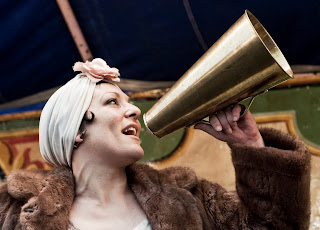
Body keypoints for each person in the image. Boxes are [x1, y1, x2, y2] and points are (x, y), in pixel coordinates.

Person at [0, 58, 310, 230]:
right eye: (112, 102)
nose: (134, 110)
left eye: (130, 102)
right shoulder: (11, 208)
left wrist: (253, 148)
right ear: (77, 131)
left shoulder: (193, 197)